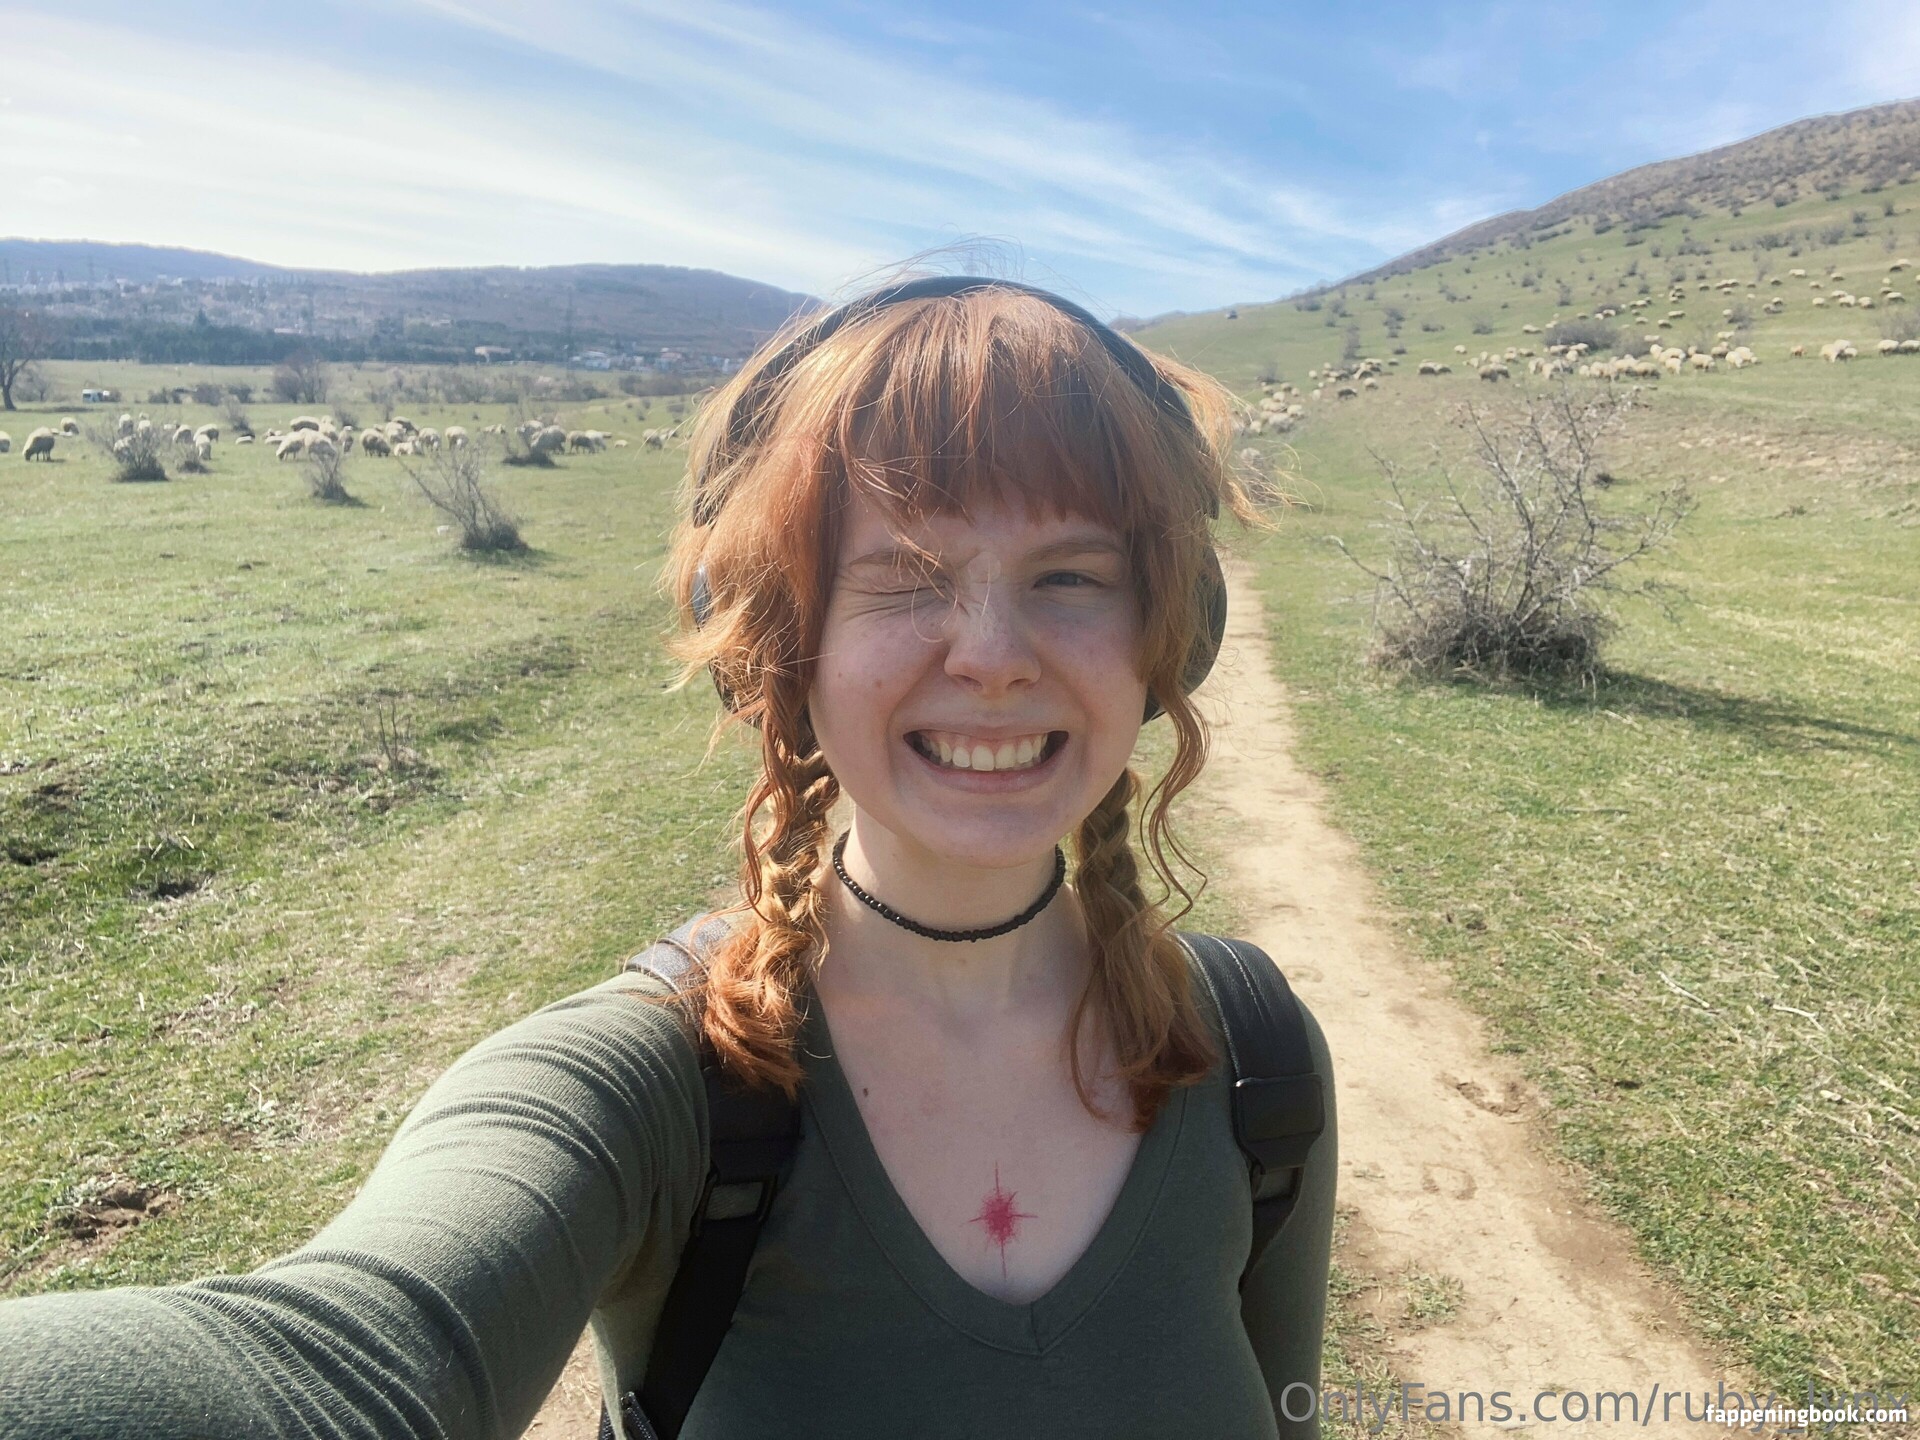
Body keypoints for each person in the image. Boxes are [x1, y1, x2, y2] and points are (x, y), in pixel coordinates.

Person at [0, 275, 1337, 1439]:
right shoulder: (645, 1087)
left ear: (1169, 639)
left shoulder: (1258, 1054)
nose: (992, 655)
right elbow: (345, 1353)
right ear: (781, 649)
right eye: (906, 577)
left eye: (1071, 576)